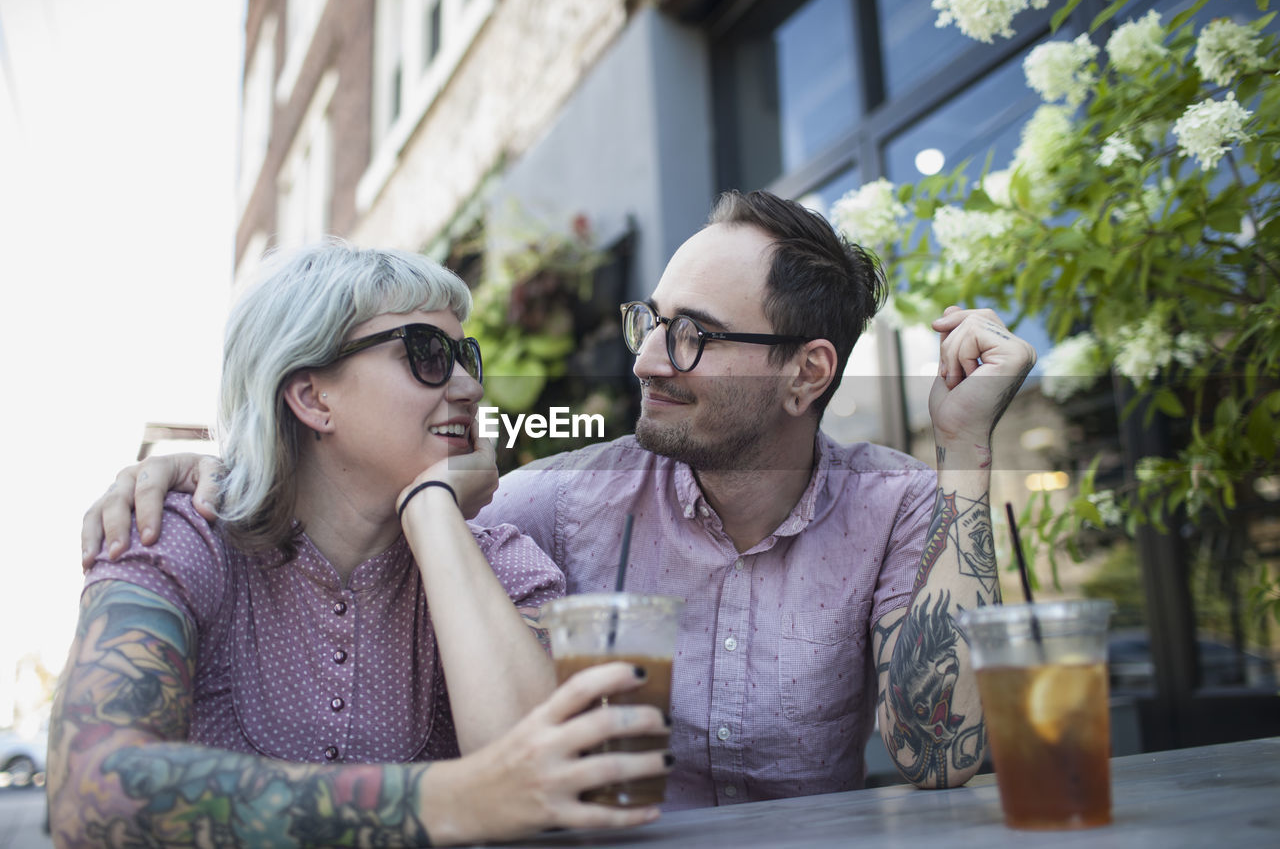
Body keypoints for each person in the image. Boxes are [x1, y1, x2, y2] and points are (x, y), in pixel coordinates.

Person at [82, 190, 1036, 810]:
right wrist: (224, 459)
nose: (648, 358)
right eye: (651, 323)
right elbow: (351, 491)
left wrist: (964, 451)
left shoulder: (901, 501)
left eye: (693, 334)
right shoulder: (556, 503)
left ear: (807, 373)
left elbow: (941, 755)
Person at [51, 243, 671, 847]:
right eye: (427, 355)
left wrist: (431, 512)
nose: (469, 388)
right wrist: (460, 799)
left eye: (466, 357)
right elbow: (91, 792)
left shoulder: (498, 563)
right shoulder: (179, 537)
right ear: (313, 397)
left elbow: (552, 790)